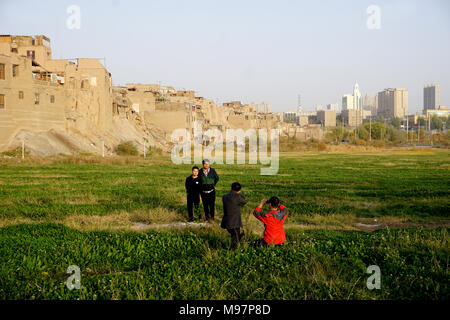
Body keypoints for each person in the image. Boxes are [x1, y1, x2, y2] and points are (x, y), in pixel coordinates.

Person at [221, 182, 248, 250]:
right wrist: (238, 193)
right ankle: (233, 251)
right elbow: (244, 201)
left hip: (226, 221)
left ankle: (239, 238)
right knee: (235, 239)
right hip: (235, 222)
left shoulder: (224, 196)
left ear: (230, 188)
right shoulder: (238, 197)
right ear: (239, 190)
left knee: (234, 236)